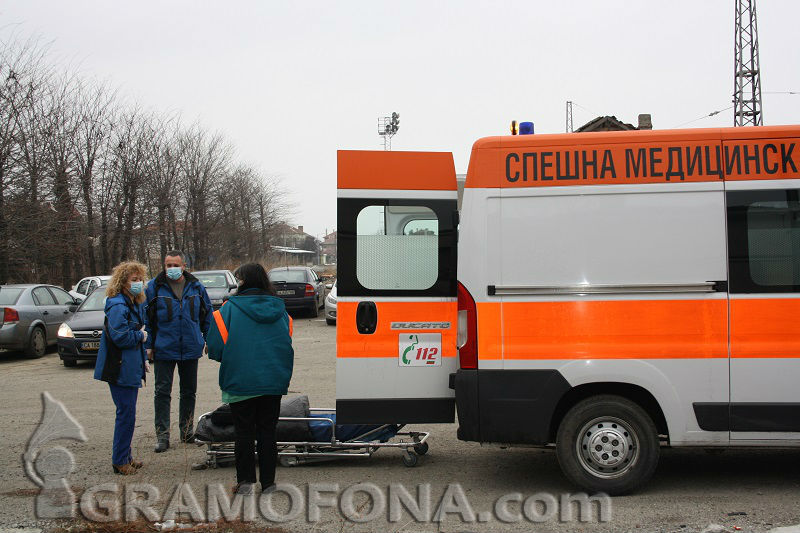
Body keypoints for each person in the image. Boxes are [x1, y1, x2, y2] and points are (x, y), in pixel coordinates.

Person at [206, 263, 294, 495]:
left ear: (242, 281)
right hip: (273, 380)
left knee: (244, 431)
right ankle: (269, 483)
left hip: (240, 380)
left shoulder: (227, 310)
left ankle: (245, 482)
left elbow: (215, 348)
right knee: (267, 431)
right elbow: (286, 343)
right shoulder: (281, 311)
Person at [144, 250, 212, 453]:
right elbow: (146, 318)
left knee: (189, 391)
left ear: (184, 266)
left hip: (190, 347)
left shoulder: (197, 287)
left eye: (175, 265)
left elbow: (207, 315)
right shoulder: (154, 288)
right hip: (164, 347)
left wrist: (209, 340)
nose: (171, 269)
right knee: (162, 392)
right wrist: (148, 345)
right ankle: (162, 436)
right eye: (168, 265)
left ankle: (186, 431)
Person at [93, 261, 150, 475]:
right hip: (119, 368)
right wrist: (140, 336)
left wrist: (142, 354)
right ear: (122, 282)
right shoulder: (118, 305)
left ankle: (125, 456)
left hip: (129, 366)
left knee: (128, 413)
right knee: (126, 414)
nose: (138, 283)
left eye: (140, 279)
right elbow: (121, 337)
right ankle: (119, 460)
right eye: (134, 280)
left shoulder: (132, 303)